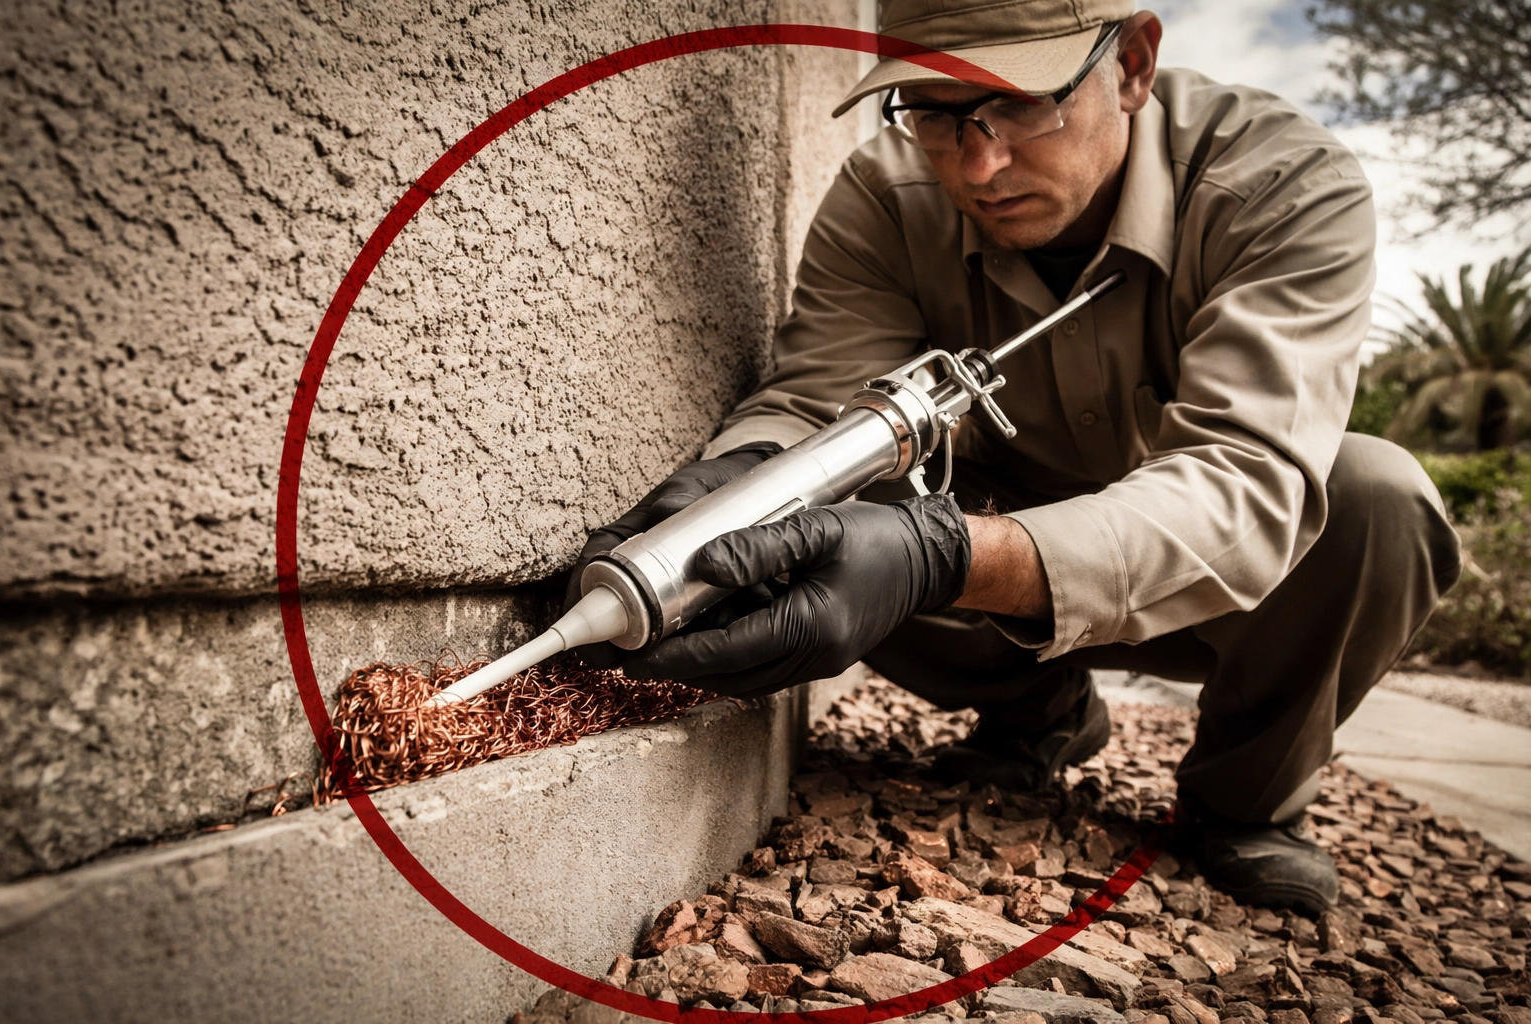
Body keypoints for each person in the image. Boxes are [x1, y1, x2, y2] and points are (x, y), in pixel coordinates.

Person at [566, 0, 1462, 915]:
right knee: (815, 513)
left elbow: (1244, 484)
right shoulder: (886, 194)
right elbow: (813, 406)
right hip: (995, 556)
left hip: (1220, 599)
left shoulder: (1286, 184)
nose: (979, 166)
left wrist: (943, 559)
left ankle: (1245, 800)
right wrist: (742, 484)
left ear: (1133, 65)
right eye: (935, 113)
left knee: (1378, 501)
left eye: (1022, 104)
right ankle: (1042, 714)